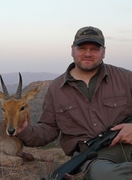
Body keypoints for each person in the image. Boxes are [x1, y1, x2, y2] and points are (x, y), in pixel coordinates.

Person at [16, 26, 132, 179]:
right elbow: (48, 129)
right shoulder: (56, 88)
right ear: (72, 50)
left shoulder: (125, 78)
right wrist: (24, 129)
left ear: (104, 51)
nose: (88, 54)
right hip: (94, 156)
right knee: (104, 174)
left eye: (94, 49)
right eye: (82, 48)